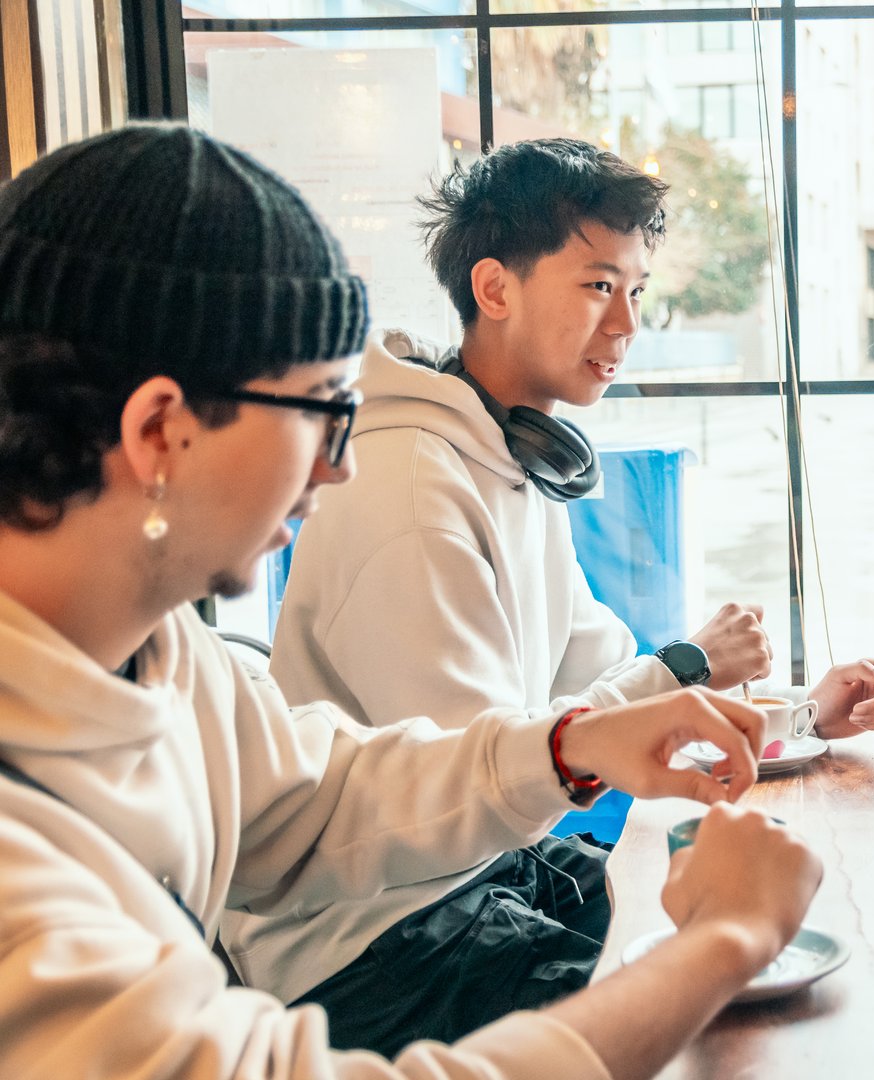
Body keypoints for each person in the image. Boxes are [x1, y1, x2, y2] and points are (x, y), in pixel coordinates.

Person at [0, 123, 820, 1080]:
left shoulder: (166, 653)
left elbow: (319, 796)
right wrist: (725, 942)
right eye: (321, 413)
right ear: (159, 431)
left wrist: (567, 748)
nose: (341, 466)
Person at [242, 137, 874, 1053]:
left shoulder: (507, 457)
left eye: (637, 291)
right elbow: (479, 794)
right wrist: (684, 667)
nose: (627, 323)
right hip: (367, 943)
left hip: (472, 877)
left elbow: (613, 683)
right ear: (495, 288)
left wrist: (802, 713)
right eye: (598, 285)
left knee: (720, 957)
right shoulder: (416, 494)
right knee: (728, 1017)